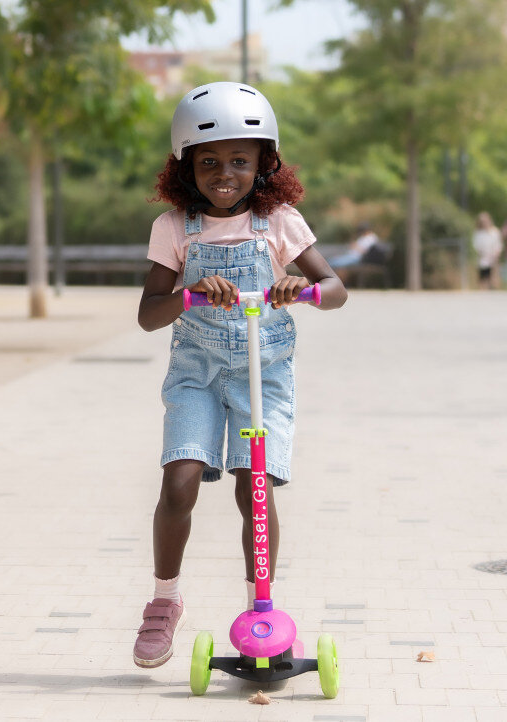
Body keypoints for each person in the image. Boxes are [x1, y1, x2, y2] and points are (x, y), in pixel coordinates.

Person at [132, 82, 348, 669]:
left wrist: (301, 288)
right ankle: (164, 601)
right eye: (208, 162)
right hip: (197, 374)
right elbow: (149, 314)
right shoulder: (175, 227)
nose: (224, 174)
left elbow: (336, 289)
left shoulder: (278, 221)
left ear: (263, 164)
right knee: (179, 483)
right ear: (186, 167)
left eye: (238, 161)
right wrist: (187, 293)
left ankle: (261, 608)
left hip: (263, 373)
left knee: (253, 488)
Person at [472, 211, 503, 289]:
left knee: (493, 278)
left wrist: (496, 254)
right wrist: (480, 253)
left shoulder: (495, 232)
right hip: (483, 258)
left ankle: (493, 290)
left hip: (493, 258)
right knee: (483, 278)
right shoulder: (478, 233)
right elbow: (476, 245)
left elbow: (498, 244)